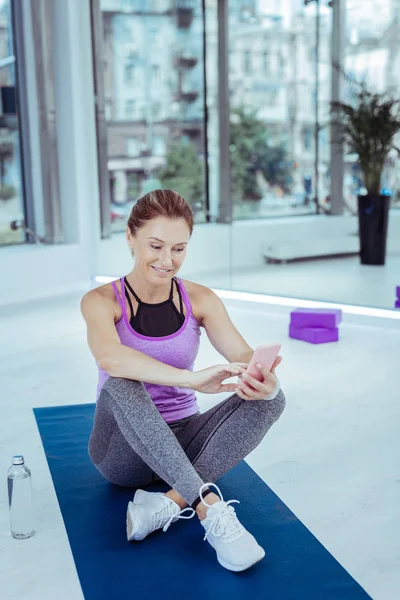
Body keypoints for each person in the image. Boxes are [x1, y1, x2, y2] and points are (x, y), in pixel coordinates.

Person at [80, 189, 286, 572]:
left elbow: (241, 354)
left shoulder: (200, 298)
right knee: (120, 380)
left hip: (184, 442)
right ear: (130, 237)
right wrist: (189, 380)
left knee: (273, 399)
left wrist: (262, 377)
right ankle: (207, 509)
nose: (166, 260)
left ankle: (168, 502)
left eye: (178, 249)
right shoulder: (100, 300)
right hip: (122, 454)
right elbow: (109, 357)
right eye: (155, 246)